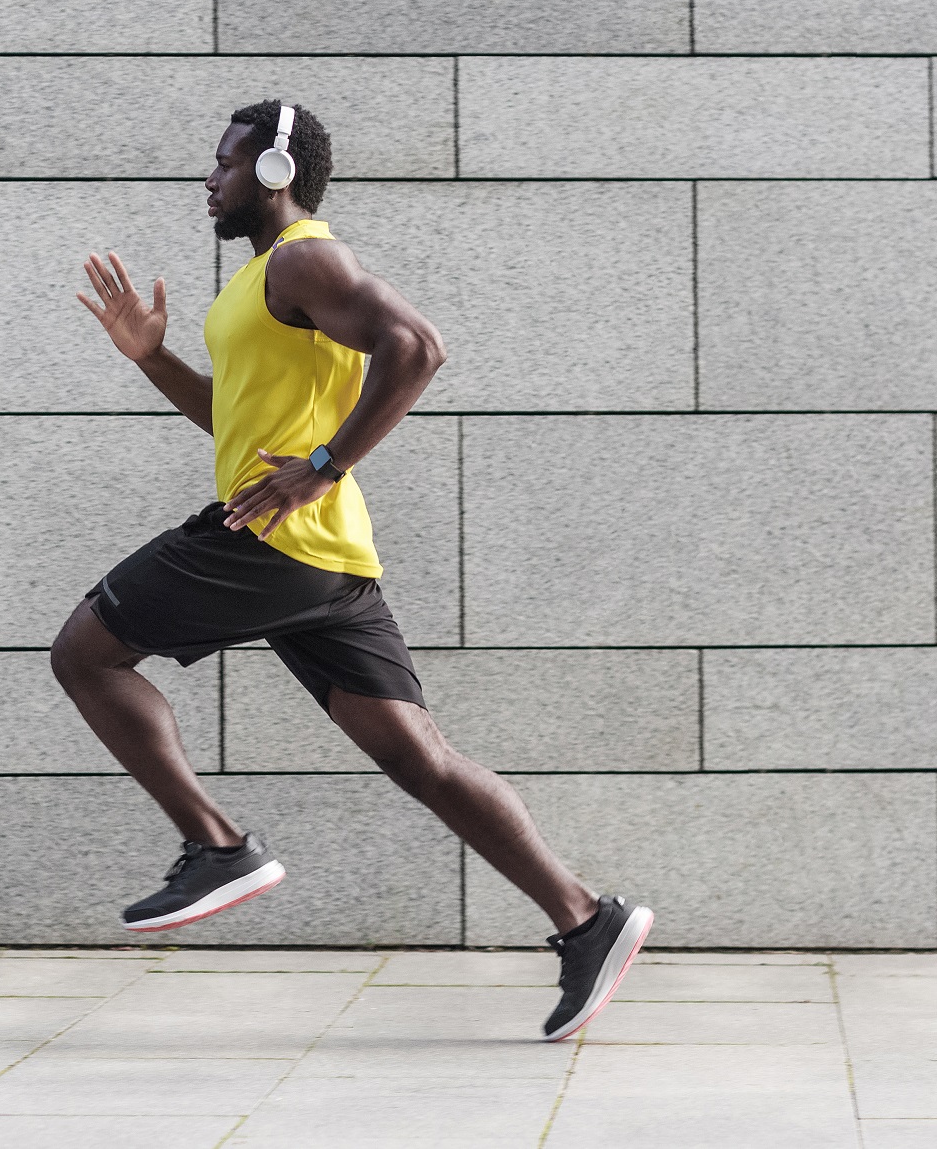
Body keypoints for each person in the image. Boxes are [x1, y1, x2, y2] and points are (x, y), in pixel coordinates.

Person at [50, 99, 653, 1041]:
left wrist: (324, 467)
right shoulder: (261, 286)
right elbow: (236, 424)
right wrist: (150, 356)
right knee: (420, 757)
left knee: (85, 653)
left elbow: (416, 347)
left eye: (225, 163)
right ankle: (586, 917)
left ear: (277, 174)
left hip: (271, 539)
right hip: (325, 561)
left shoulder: (304, 259)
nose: (207, 179)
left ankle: (218, 847)